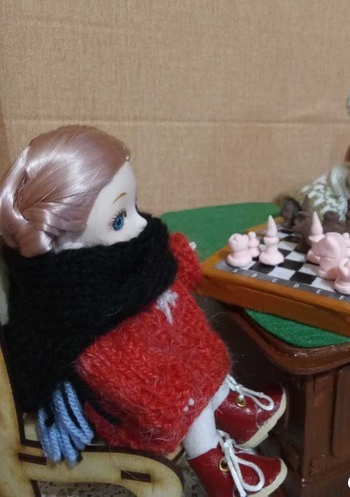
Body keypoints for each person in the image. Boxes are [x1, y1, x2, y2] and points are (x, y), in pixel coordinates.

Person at [0, 125, 287, 497]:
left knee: (192, 340)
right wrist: (193, 384)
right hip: (136, 413)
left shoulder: (130, 269)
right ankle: (217, 468)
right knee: (191, 393)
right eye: (119, 220)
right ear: (64, 244)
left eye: (133, 206)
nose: (142, 224)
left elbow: (177, 286)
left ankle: (231, 407)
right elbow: (151, 398)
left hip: (174, 373)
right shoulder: (80, 321)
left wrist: (175, 270)